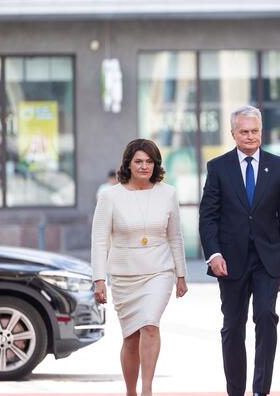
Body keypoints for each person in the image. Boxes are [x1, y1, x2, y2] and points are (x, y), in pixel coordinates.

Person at [199, 105, 280, 396]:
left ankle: (260, 391)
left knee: (266, 317)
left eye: (255, 131)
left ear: (261, 132)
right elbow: (208, 216)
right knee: (232, 327)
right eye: (244, 131)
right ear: (233, 134)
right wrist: (214, 254)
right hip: (230, 261)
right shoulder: (217, 167)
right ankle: (236, 392)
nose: (250, 136)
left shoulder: (279, 166)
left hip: (268, 260)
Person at [91, 138, 189, 396]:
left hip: (159, 271)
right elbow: (100, 240)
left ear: (156, 165)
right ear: (128, 164)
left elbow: (175, 236)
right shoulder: (110, 196)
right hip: (124, 275)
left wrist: (181, 274)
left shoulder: (168, 193)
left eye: (149, 162)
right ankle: (131, 391)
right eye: (139, 161)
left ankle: (147, 389)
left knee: (150, 325)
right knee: (131, 338)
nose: (144, 166)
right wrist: (98, 279)